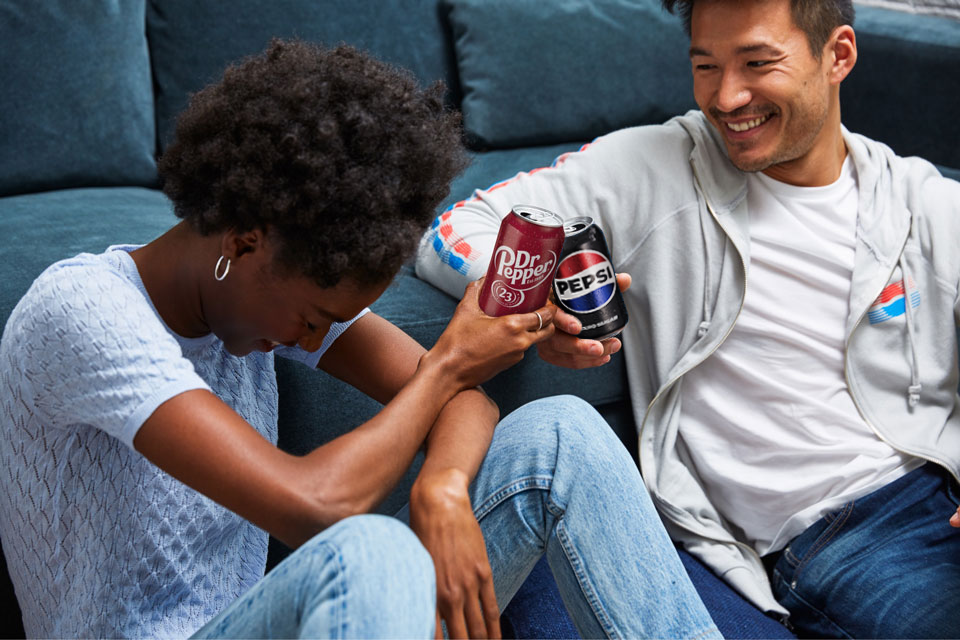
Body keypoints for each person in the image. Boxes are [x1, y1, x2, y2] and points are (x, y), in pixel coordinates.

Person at [0, 39, 721, 639]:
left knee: (562, 435)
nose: (311, 337)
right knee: (368, 553)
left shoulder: (252, 291)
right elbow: (315, 504)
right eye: (312, 318)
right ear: (246, 241)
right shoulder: (84, 314)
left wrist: (442, 487)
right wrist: (440, 371)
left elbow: (470, 404)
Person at [415, 0, 960, 637]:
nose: (727, 97)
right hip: (827, 542)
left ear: (836, 55)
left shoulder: (928, 205)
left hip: (932, 497)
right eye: (706, 66)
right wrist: (545, 305)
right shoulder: (648, 167)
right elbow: (455, 229)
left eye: (758, 63)